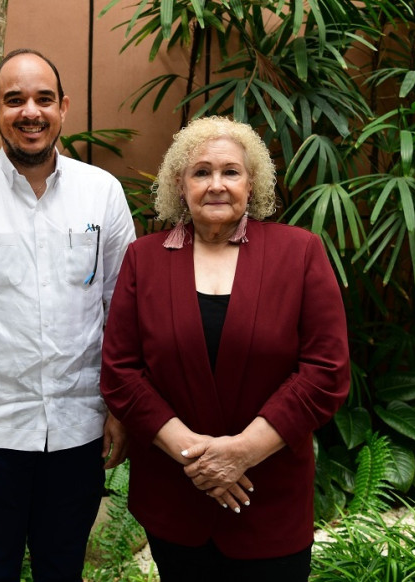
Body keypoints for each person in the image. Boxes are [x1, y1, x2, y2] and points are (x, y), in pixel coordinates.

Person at [100, 116, 350, 581]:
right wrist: (196, 456)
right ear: (180, 183)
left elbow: (326, 370)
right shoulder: (145, 259)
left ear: (251, 181)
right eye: (202, 172)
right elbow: (121, 371)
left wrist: (242, 452)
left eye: (230, 172)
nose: (216, 185)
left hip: (268, 493)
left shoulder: (300, 253)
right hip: (176, 495)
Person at [0, 48, 136, 581]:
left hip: (78, 427)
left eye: (43, 99)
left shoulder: (102, 193)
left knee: (63, 568)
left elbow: (125, 311)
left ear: (64, 108)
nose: (30, 112)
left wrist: (119, 409)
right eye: (14, 100)